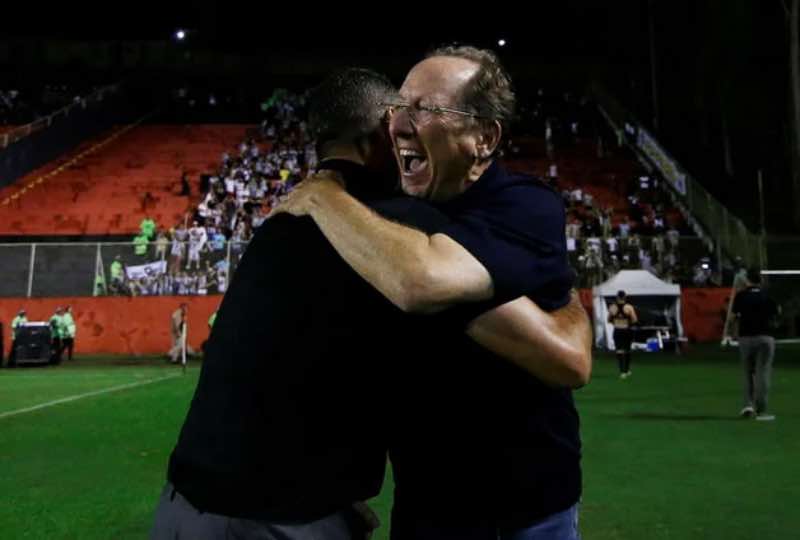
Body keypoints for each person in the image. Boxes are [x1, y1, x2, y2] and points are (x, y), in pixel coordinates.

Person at [153, 68, 590, 540]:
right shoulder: (397, 233)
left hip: (185, 503)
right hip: (288, 518)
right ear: (387, 127)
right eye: (404, 110)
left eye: (425, 109)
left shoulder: (282, 221)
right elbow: (563, 355)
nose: (409, 124)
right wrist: (562, 294)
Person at [273, 48, 587, 539]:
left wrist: (323, 194)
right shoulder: (381, 214)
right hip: (425, 509)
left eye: (425, 108)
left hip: (530, 512)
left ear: (484, 138)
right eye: (398, 106)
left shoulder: (524, 205)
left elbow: (419, 282)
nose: (397, 124)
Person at [732, 267, 780, 421]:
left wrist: (734, 334)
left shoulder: (741, 296)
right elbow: (776, 317)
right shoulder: (767, 296)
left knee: (748, 372)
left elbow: (734, 317)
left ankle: (747, 405)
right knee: (763, 373)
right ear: (761, 280)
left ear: (748, 280)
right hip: (765, 337)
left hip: (746, 338)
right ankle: (761, 410)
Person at [608, 290, 638, 379]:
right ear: (625, 297)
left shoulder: (612, 307)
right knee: (627, 350)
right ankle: (627, 370)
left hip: (617, 330)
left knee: (619, 351)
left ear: (617, 297)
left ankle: (622, 372)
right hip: (627, 330)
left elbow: (609, 320)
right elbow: (634, 320)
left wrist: (617, 322)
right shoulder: (629, 307)